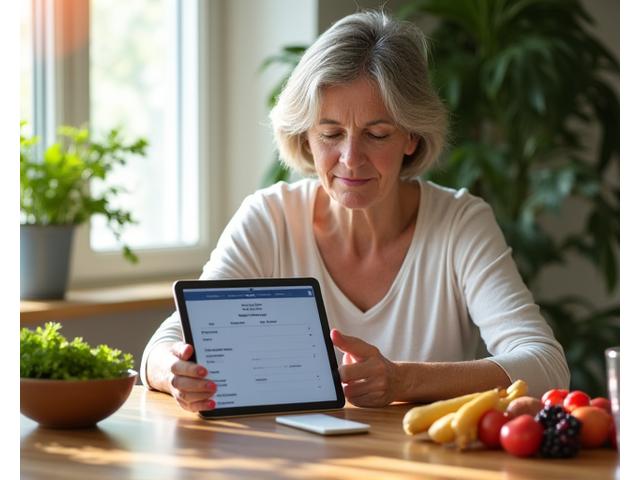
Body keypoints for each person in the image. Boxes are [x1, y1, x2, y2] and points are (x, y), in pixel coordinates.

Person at [141, 10, 569, 412]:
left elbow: (547, 366)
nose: (350, 158)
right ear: (306, 138)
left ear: (412, 138)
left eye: (377, 134)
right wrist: (174, 372)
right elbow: (166, 344)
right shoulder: (269, 218)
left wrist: (403, 381)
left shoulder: (459, 223)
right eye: (330, 133)